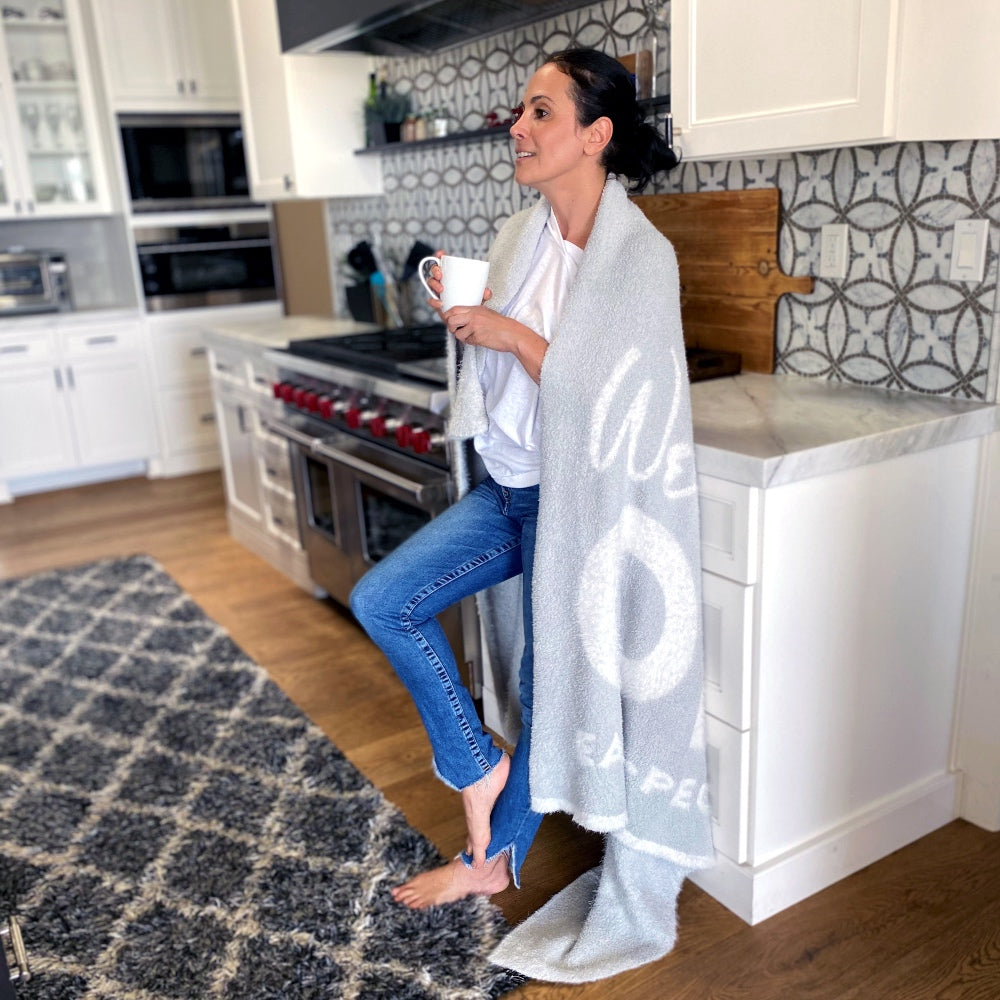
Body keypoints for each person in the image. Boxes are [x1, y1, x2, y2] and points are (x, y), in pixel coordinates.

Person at [349, 48, 709, 930]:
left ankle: (490, 864)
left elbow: (616, 399)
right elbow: (507, 364)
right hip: (507, 488)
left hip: (573, 507)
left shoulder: (641, 258)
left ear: (595, 134)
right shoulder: (519, 236)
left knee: (548, 691)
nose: (518, 127)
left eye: (540, 112)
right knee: (384, 600)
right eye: (521, 111)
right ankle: (478, 765)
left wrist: (508, 333)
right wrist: (470, 321)